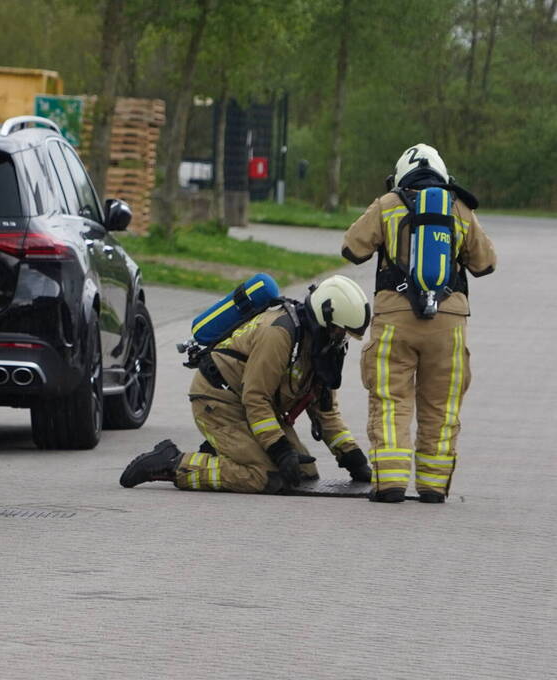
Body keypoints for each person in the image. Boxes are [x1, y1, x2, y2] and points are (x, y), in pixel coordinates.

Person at [341, 143, 496, 503]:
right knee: (441, 405)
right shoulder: (459, 207)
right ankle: (432, 486)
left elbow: (352, 248)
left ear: (400, 175)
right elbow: (485, 263)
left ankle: (391, 483)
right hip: (450, 323)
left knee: (391, 399)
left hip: (395, 317)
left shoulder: (388, 204)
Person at [120, 275, 373, 494]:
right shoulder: (279, 334)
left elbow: (325, 410)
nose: (341, 340)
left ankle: (225, 453)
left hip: (249, 407)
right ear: (324, 317)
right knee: (266, 476)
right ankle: (173, 463)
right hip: (218, 403)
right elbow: (256, 398)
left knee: (304, 473)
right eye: (340, 332)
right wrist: (279, 449)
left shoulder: (319, 346)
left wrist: (351, 457)